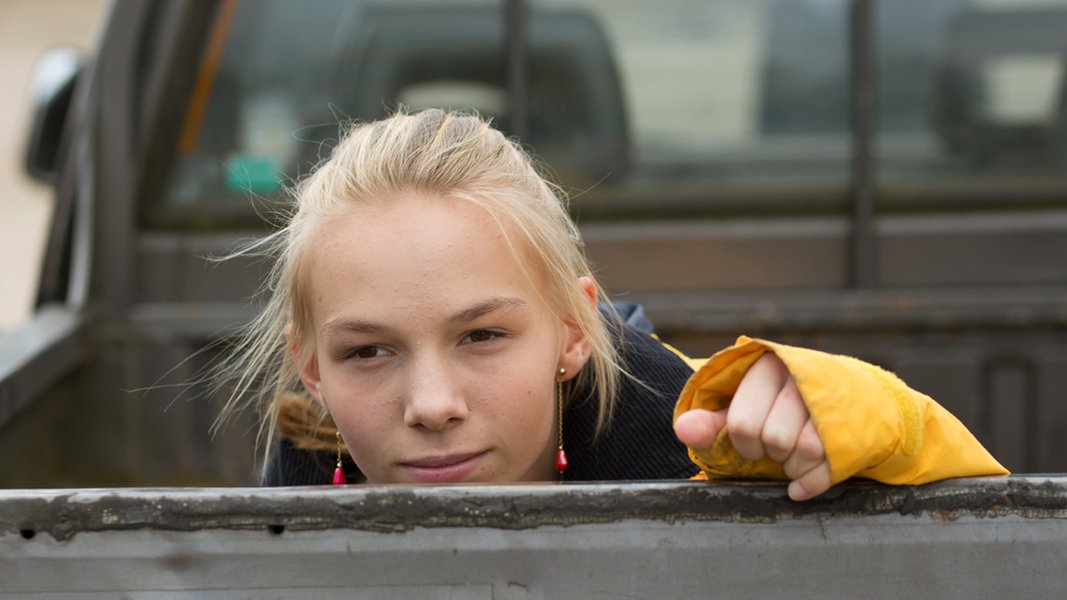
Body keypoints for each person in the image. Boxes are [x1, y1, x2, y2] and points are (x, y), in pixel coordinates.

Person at [215, 108, 1007, 500]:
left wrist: (843, 411)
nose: (431, 404)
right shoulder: (273, 524)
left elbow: (984, 513)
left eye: (482, 334)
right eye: (368, 351)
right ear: (309, 367)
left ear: (572, 331)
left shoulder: (714, 436)